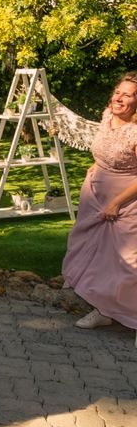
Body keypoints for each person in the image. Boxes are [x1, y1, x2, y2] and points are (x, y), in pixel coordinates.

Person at [63, 72, 137, 347]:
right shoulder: (107, 116)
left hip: (127, 204)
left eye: (127, 94)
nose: (119, 98)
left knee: (130, 263)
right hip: (95, 196)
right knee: (100, 259)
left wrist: (116, 203)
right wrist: (96, 166)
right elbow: (102, 150)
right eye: (118, 91)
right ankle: (105, 311)